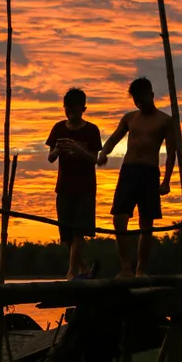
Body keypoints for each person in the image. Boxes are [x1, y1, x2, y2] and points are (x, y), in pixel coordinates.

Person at [97, 77, 177, 277]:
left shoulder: (165, 120)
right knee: (119, 218)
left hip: (149, 173)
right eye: (136, 101)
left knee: (146, 224)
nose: (139, 104)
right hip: (129, 171)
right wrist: (104, 152)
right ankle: (126, 266)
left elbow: (171, 153)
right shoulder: (130, 118)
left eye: (142, 99)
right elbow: (114, 138)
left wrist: (166, 181)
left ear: (151, 95)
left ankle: (141, 268)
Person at [46, 88, 103, 279]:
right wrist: (57, 152)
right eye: (67, 109)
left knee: (79, 230)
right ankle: (84, 269)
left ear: (83, 108)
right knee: (66, 234)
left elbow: (94, 158)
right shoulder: (58, 128)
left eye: (74, 109)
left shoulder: (92, 130)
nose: (70, 113)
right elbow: (51, 157)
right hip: (64, 187)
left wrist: (78, 149)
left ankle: (71, 271)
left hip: (85, 188)